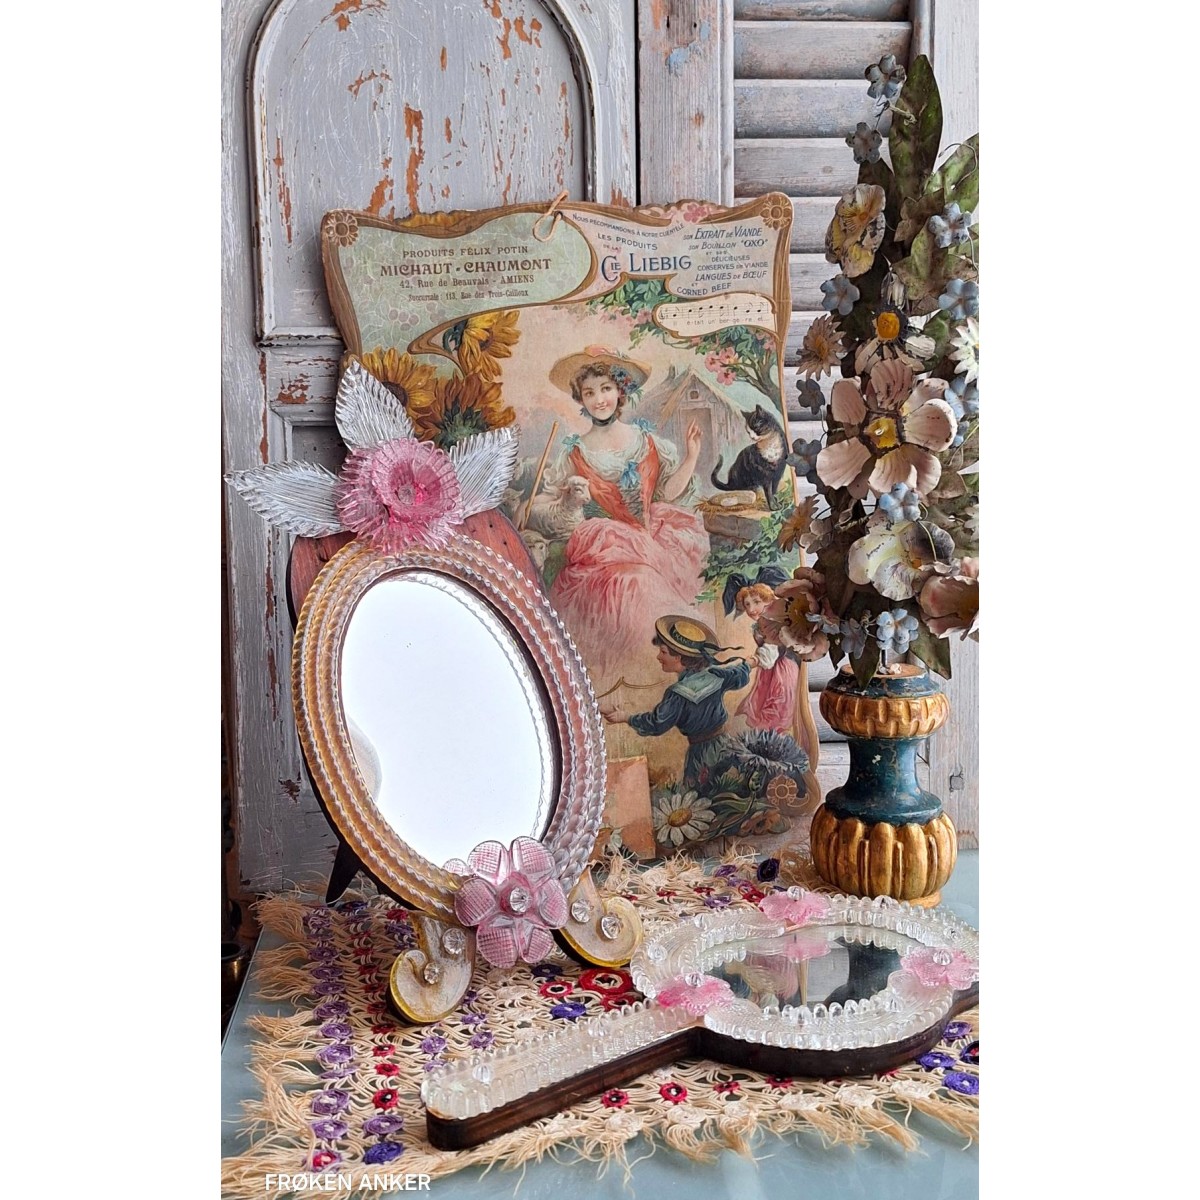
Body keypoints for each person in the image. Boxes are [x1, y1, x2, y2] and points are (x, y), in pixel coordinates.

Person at [540, 346, 709, 685]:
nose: (598, 399)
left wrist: (692, 456)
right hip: (601, 546)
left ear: (620, 391)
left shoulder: (647, 442)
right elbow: (551, 505)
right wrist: (572, 498)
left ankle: (648, 675)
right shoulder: (574, 452)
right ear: (580, 398)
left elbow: (667, 493)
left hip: (650, 540)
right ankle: (611, 681)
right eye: (589, 392)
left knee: (644, 585)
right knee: (625, 585)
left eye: (605, 389)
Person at [603, 617, 750, 792]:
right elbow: (739, 675)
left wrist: (626, 717)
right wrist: (749, 664)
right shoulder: (715, 674)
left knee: (702, 797)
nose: (658, 657)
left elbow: (656, 724)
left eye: (663, 652)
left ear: (678, 657)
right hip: (726, 745)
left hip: (701, 757)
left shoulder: (677, 694)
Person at [733, 582, 800, 734]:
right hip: (768, 672)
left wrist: (752, 662)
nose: (751, 609)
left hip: (783, 671)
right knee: (762, 706)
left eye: (756, 602)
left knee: (777, 707)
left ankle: (777, 741)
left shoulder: (774, 623)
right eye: (747, 604)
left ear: (769, 601)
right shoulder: (760, 625)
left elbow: (771, 650)